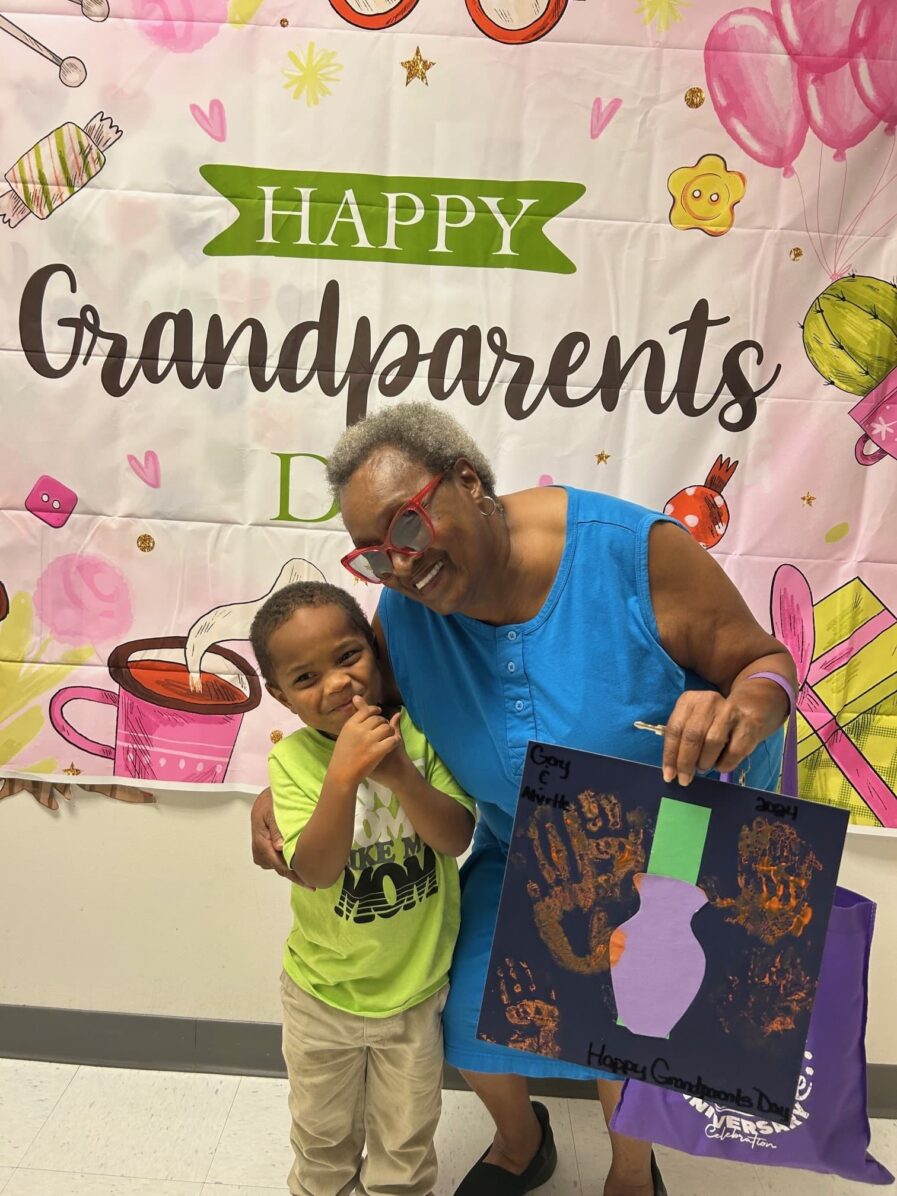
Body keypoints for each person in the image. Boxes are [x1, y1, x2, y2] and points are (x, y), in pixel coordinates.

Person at [251, 404, 797, 1196]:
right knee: (463, 1016)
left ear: (468, 482)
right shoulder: (408, 611)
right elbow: (356, 714)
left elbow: (765, 663)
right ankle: (520, 1142)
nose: (399, 567)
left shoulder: (634, 556)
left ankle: (631, 1171)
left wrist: (739, 708)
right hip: (524, 853)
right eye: (373, 556)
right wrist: (273, 799)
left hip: (663, 852)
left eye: (406, 529)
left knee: (631, 1022)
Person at [249, 580, 476, 1196]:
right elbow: (317, 871)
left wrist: (400, 774)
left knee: (404, 1148)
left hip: (416, 993)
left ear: (375, 652)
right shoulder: (291, 763)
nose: (336, 684)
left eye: (349, 656)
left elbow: (455, 838)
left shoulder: (423, 740)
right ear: (281, 697)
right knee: (323, 1142)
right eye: (305, 678)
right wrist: (343, 779)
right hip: (322, 994)